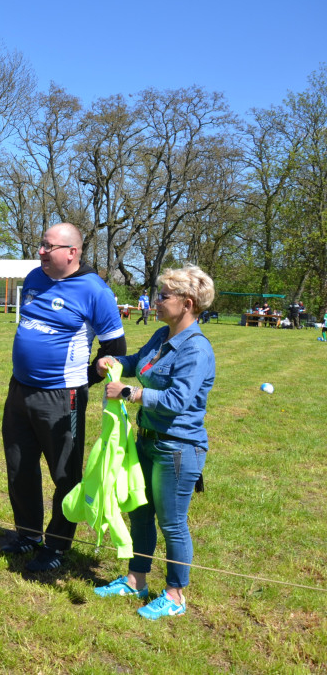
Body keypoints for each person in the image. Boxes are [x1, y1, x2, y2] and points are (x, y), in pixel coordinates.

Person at [1, 222, 126, 572]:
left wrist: (81, 380)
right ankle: (27, 534)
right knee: (19, 466)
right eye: (41, 244)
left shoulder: (94, 291)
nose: (40, 251)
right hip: (19, 390)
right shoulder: (34, 277)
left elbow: (115, 347)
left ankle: (56, 545)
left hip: (62, 398)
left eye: (48, 246)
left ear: (72, 252)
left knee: (64, 474)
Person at [93, 264, 215, 620]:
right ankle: (136, 580)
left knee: (172, 522)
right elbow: (137, 362)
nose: (156, 301)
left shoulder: (195, 349)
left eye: (164, 296)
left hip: (177, 448)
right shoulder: (162, 336)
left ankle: (175, 595)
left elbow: (178, 400)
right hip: (146, 441)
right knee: (141, 511)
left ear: (188, 303)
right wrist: (114, 361)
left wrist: (129, 393)